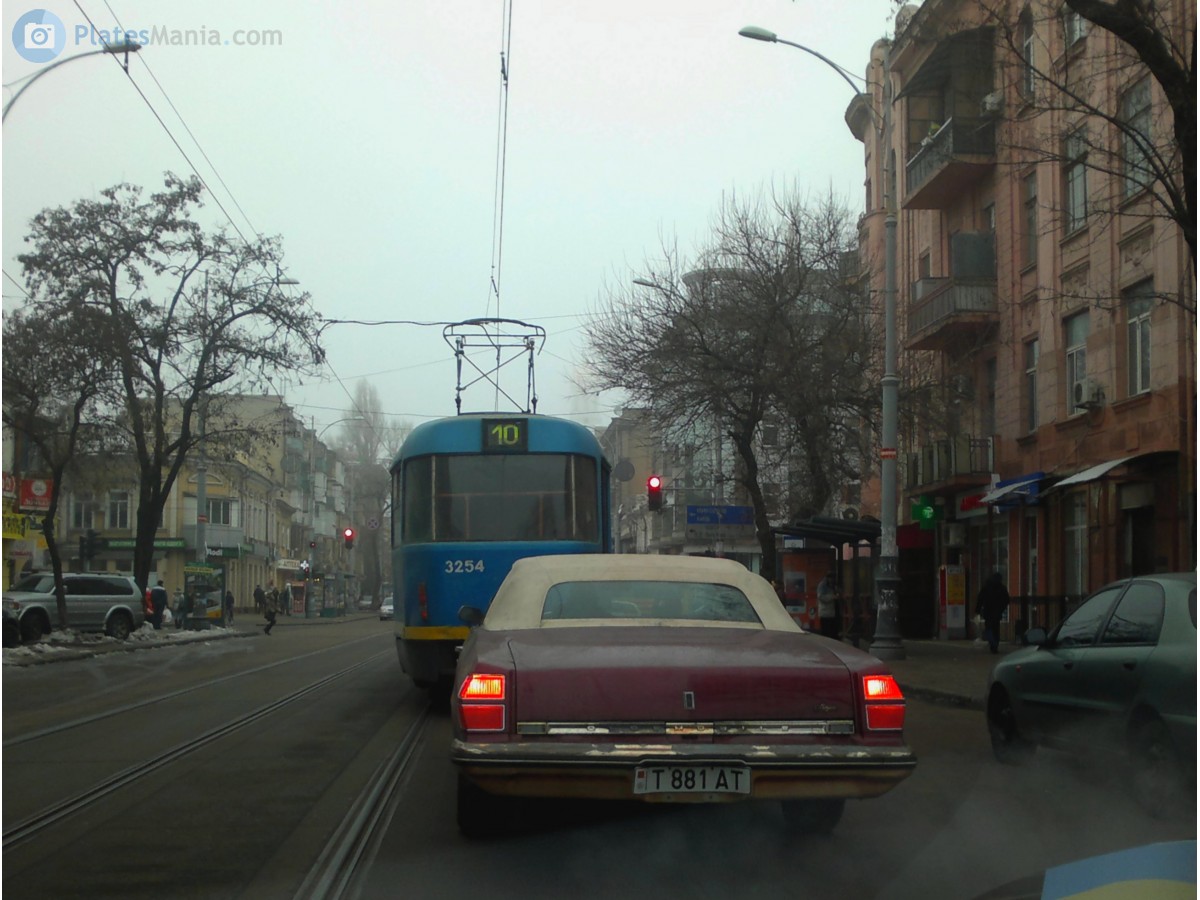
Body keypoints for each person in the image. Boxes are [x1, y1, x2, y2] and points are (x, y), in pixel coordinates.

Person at [976, 571, 1010, 654]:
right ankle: (995, 644)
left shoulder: (987, 587)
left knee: (989, 628)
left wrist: (978, 609)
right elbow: (1007, 600)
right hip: (997, 612)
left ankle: (992, 643)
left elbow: (980, 598)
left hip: (988, 611)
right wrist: (1002, 608)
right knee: (996, 628)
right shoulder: (1002, 588)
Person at [816, 571, 840, 640]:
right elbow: (821, 597)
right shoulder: (822, 585)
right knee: (826, 631)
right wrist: (832, 597)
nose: (832, 580)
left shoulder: (832, 586)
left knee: (832, 631)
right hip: (825, 613)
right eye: (831, 578)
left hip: (831, 612)